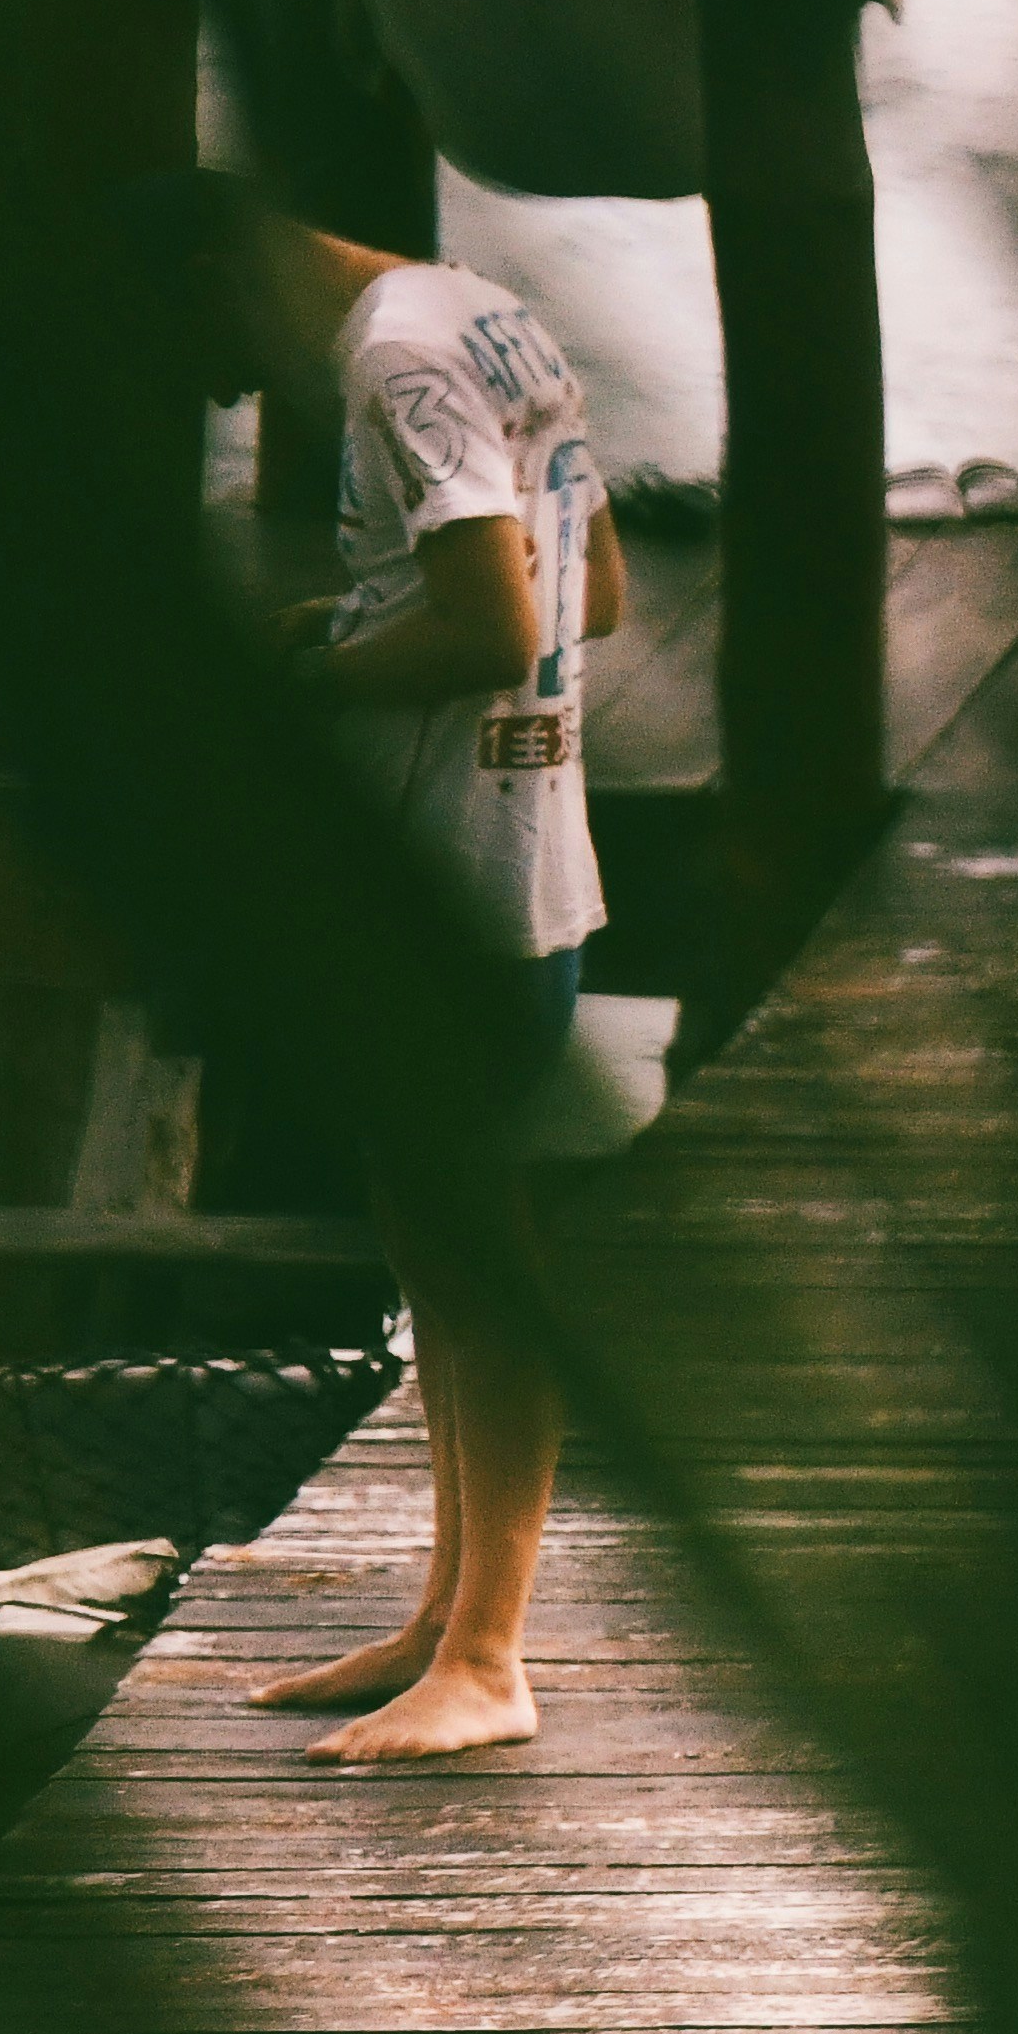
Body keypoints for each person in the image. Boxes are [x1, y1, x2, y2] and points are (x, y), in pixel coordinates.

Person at [138, 176, 623, 1763]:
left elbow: (494, 628)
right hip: (526, 857)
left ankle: (489, 1660)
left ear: (220, 265)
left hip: (450, 887)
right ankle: (446, 1615)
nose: (230, 389)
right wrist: (354, 617)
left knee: (478, 1271)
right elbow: (592, 592)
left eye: (208, 345)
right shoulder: (481, 312)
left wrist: (318, 688)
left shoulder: (395, 362)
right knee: (440, 1258)